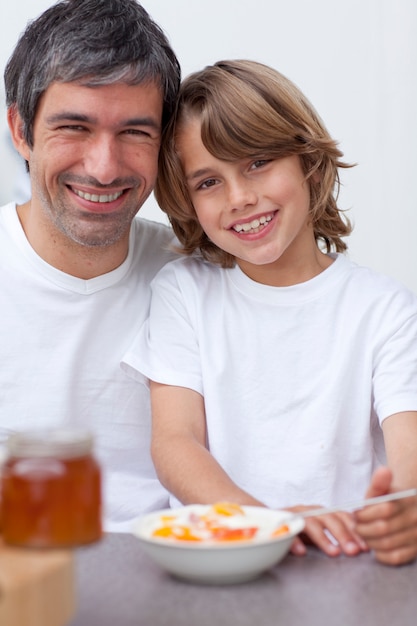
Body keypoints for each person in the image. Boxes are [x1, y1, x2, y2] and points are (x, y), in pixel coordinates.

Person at [122, 60, 417, 564]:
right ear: (188, 202)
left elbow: (408, 447)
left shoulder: (384, 308)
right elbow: (176, 441)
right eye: (208, 182)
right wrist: (266, 525)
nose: (241, 197)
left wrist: (405, 509)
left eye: (257, 162)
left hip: (346, 562)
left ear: (307, 160)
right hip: (225, 563)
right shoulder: (184, 292)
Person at [0, 0, 181, 531]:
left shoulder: (200, 276)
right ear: (21, 129)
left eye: (135, 132)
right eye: (74, 127)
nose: (104, 168)